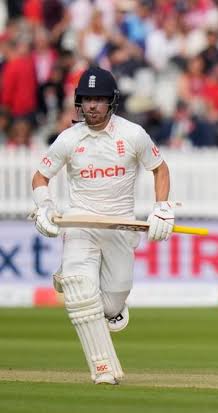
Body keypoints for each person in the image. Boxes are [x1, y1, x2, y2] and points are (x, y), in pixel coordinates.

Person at [30, 66, 175, 385]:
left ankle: (76, 284)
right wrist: (45, 205)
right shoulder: (69, 139)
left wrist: (161, 207)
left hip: (120, 228)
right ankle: (103, 369)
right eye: (86, 99)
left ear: (112, 102)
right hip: (80, 224)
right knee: (81, 295)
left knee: (111, 304)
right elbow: (41, 176)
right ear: (79, 103)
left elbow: (160, 168)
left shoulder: (132, 134)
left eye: (99, 99)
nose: (92, 106)